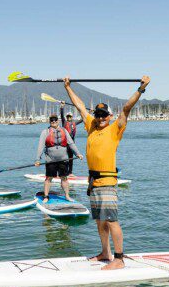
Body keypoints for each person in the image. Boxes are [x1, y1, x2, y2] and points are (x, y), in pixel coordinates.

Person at [64, 75, 150, 270]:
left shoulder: (115, 129)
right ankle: (105, 252)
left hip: (108, 182)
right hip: (93, 183)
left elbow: (127, 108)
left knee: (112, 221)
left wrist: (141, 89)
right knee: (100, 222)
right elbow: (79, 105)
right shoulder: (90, 127)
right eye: (98, 115)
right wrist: (68, 87)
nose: (101, 118)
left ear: (110, 116)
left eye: (104, 115)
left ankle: (119, 258)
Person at [35, 114, 83, 202]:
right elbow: (40, 146)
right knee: (49, 178)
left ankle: (67, 196)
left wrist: (78, 153)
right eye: (52, 120)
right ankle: (46, 196)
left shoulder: (64, 130)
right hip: (50, 160)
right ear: (50, 122)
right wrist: (37, 159)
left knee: (64, 178)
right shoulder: (45, 132)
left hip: (63, 159)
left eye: (55, 120)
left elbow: (71, 143)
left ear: (58, 121)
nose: (54, 122)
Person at [60, 102, 83, 176]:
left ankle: (70, 173)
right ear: (66, 117)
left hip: (72, 144)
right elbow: (61, 115)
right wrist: (62, 107)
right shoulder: (64, 123)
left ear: (72, 117)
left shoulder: (74, 123)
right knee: (64, 159)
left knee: (71, 158)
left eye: (70, 116)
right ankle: (63, 172)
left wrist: (89, 113)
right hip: (65, 144)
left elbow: (82, 119)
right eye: (68, 116)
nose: (69, 117)